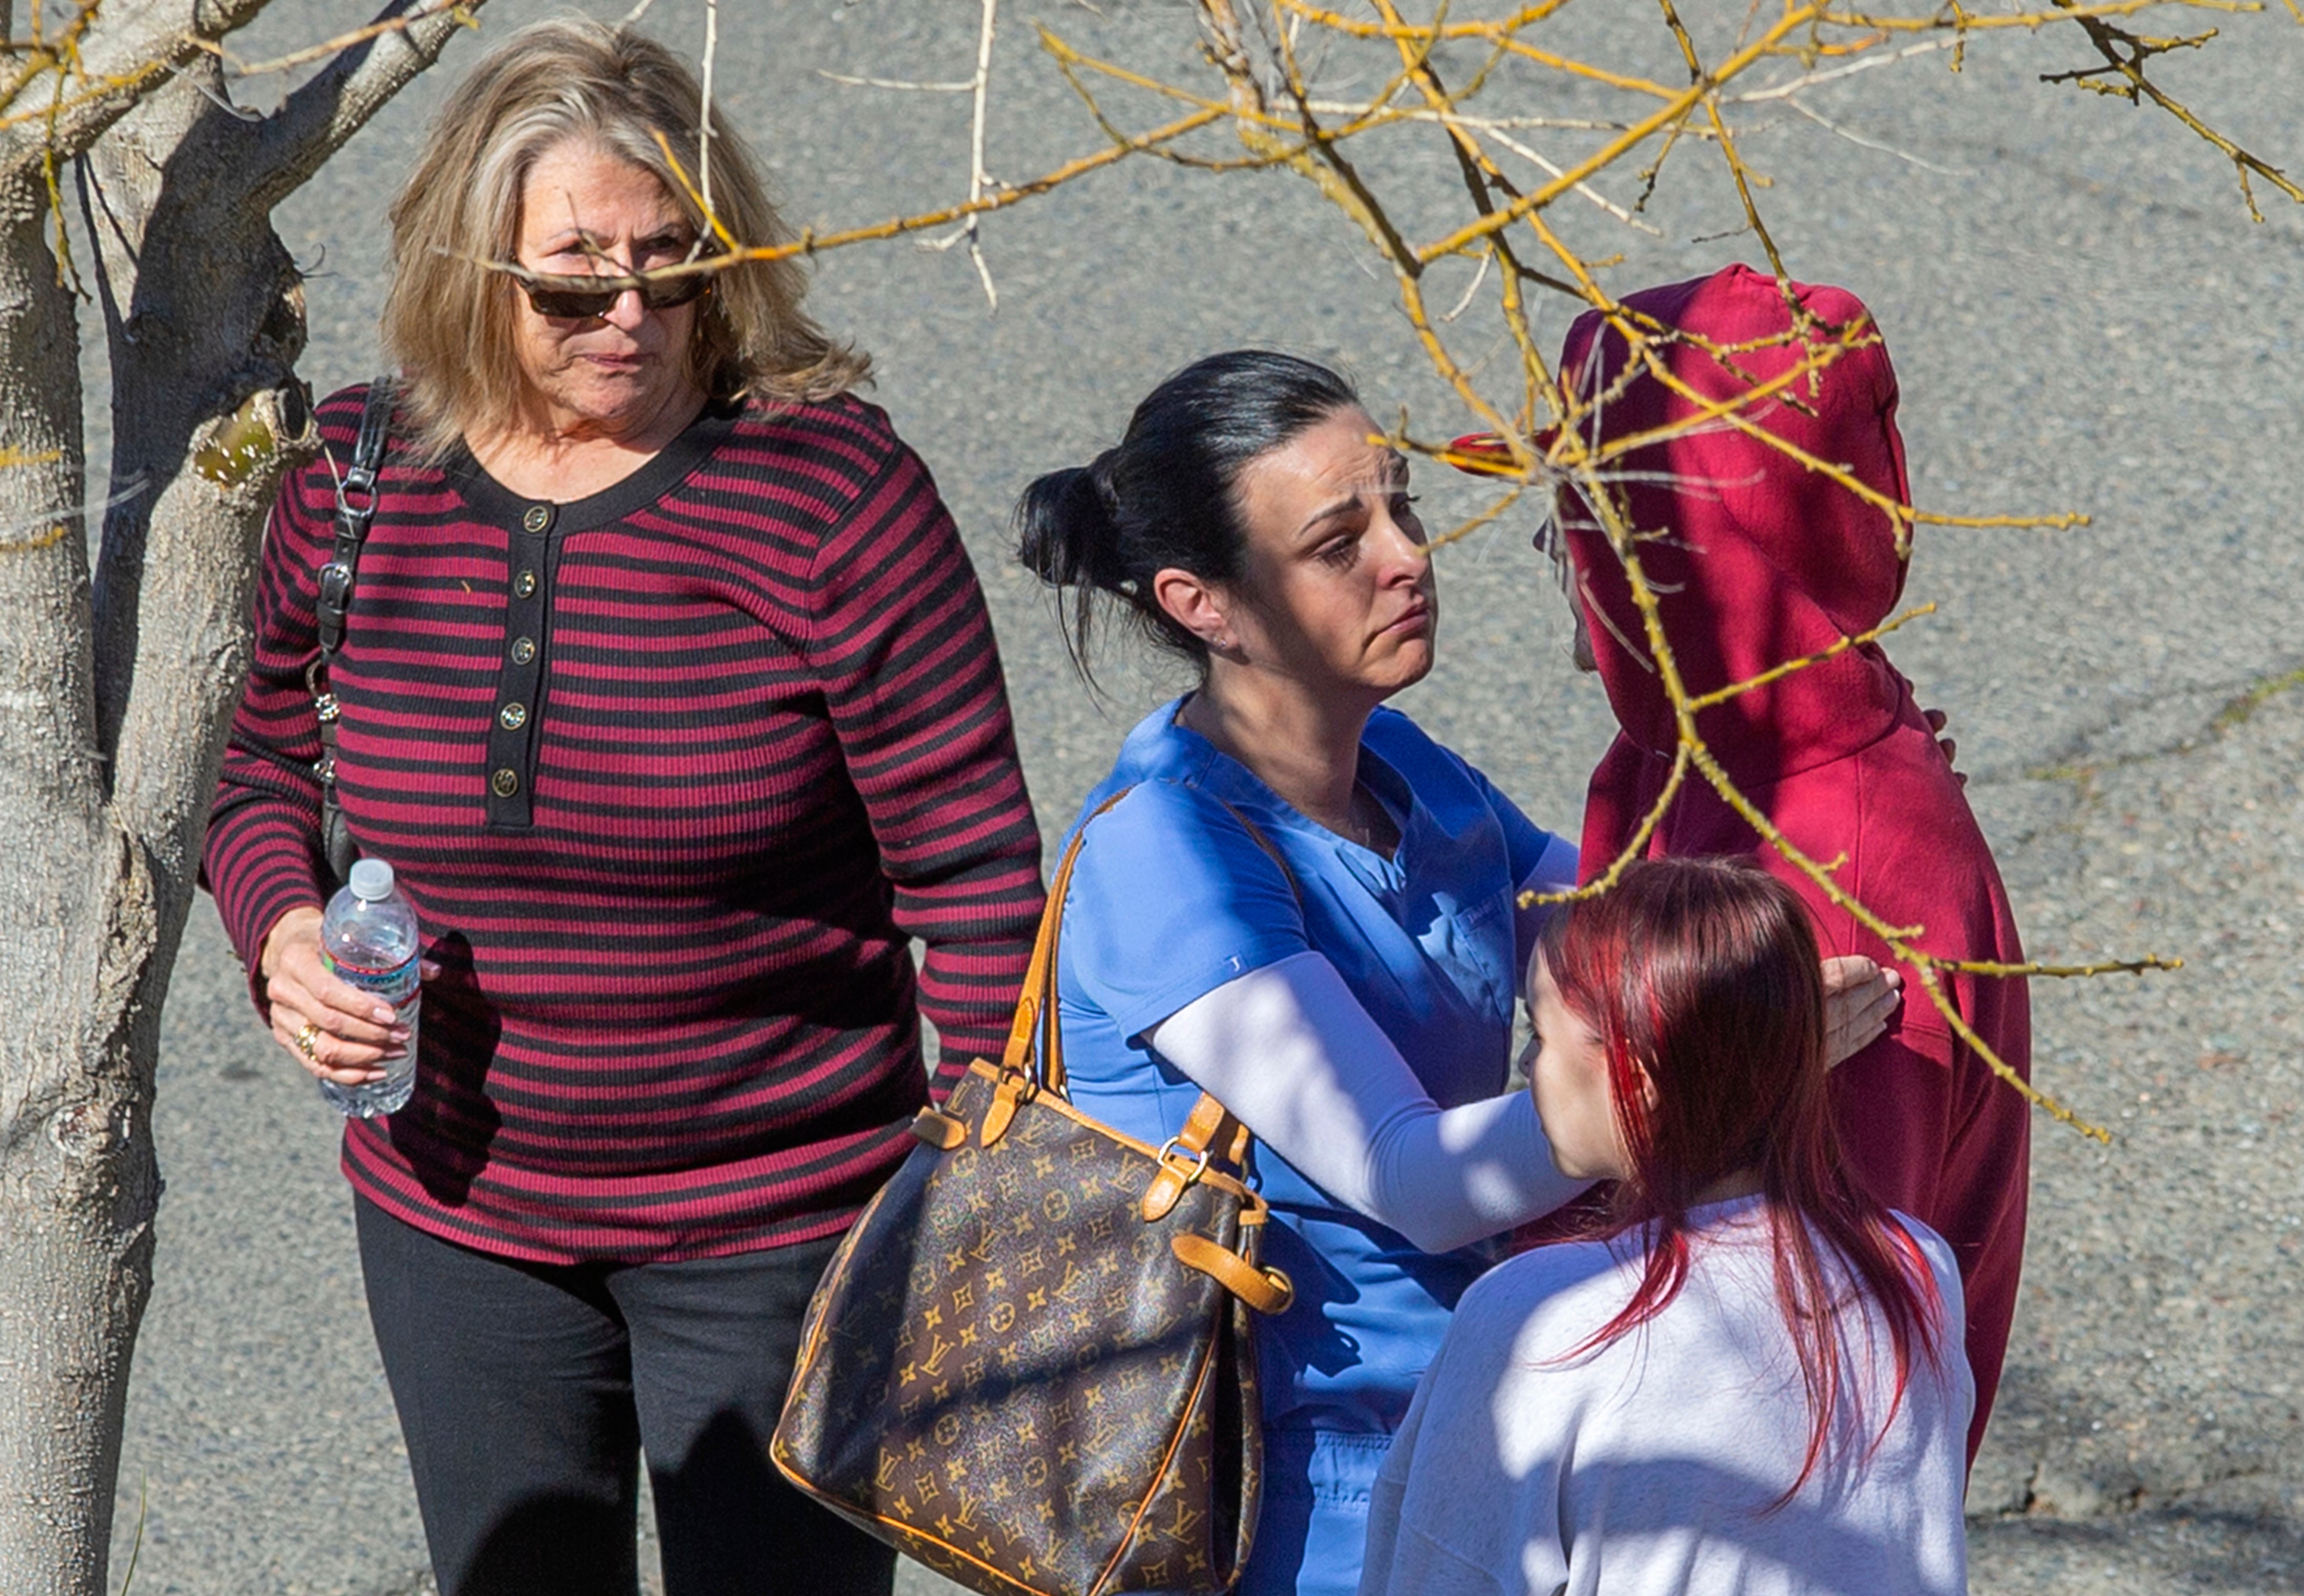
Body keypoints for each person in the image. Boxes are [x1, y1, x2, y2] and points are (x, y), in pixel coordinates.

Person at [201, 21, 1041, 1596]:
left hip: (782, 1225)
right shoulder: (358, 477)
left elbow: (975, 872)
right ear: (471, 267)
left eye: (675, 262)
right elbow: (254, 769)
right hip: (455, 1222)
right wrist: (285, 930)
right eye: (576, 280)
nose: (635, 315)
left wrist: (981, 1194)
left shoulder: (827, 495)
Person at [1013, 351, 1902, 1596]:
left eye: (1403, 504)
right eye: (1339, 542)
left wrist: (1845, 757)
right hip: (1293, 1500)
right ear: (1202, 602)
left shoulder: (1406, 767)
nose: (1407, 553)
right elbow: (1413, 1176)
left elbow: (1611, 924)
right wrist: (1703, 1064)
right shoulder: (1172, 853)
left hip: (1467, 1431)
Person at [1540, 263, 2030, 1465]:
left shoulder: (1839, 880)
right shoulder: (1698, 761)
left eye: (1589, 510)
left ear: (1687, 545)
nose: (1562, 552)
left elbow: (1800, 1376)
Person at [1358, 857, 1973, 1596]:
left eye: (1543, 1034)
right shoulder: (1915, 1265)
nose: (1526, 1064)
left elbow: (1442, 1573)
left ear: (1637, 1076)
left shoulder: (1539, 1318)